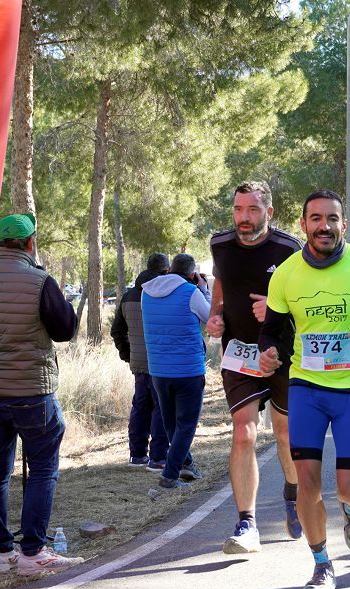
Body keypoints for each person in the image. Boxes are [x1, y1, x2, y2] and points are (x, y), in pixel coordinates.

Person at [258, 189, 350, 589]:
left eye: (332, 218)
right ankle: (321, 564)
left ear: (343, 223)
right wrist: (270, 350)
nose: (325, 226)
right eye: (316, 218)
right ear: (303, 224)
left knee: (347, 488)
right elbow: (272, 327)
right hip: (306, 384)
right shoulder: (286, 273)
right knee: (307, 482)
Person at [0, 213, 84, 576]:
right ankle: (33, 552)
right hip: (30, 393)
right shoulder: (40, 280)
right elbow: (65, 330)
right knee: (42, 470)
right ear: (29, 242)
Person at [206, 181, 303, 553]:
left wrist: (278, 308)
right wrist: (216, 317)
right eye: (238, 210)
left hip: (281, 354)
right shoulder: (220, 244)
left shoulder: (288, 248)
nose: (244, 219)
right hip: (239, 353)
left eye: (252, 210)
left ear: (269, 212)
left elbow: (303, 299)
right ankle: (247, 524)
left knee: (284, 433)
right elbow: (220, 284)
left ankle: (292, 496)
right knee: (244, 433)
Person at [141, 253, 211, 496]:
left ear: (170, 269)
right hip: (188, 370)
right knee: (186, 425)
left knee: (171, 423)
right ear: (192, 274)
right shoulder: (191, 293)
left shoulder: (146, 292)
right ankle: (170, 475)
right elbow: (210, 318)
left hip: (158, 369)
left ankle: (186, 463)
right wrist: (205, 291)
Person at [111, 253, 171, 469]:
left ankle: (137, 455)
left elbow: (116, 331)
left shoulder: (128, 296)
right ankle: (158, 457)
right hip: (160, 362)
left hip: (138, 363)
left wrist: (128, 354)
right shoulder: (165, 294)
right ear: (165, 271)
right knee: (161, 408)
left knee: (140, 407)